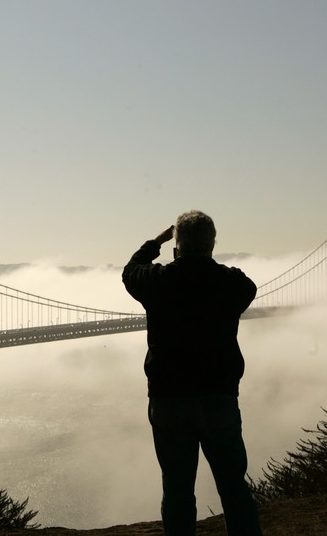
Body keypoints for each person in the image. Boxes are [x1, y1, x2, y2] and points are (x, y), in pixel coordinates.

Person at [121, 210, 262, 536]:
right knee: (233, 489)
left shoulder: (157, 281)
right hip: (218, 399)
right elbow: (246, 285)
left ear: (177, 246)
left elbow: (130, 272)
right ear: (212, 244)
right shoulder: (231, 284)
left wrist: (156, 242)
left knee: (177, 492)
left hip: (168, 401)